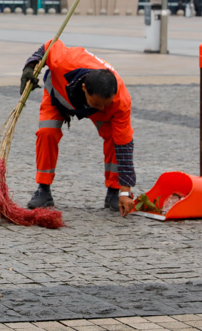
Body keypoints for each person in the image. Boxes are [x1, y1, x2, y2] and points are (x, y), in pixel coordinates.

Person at [19, 39, 137, 217]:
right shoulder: (65, 60)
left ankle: (112, 192)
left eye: (106, 104)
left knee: (114, 137)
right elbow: (46, 47)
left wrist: (125, 192)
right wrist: (29, 68)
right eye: (98, 103)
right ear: (84, 89)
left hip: (93, 107)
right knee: (47, 132)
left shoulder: (119, 101)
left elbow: (124, 145)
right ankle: (43, 189)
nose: (103, 108)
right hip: (59, 95)